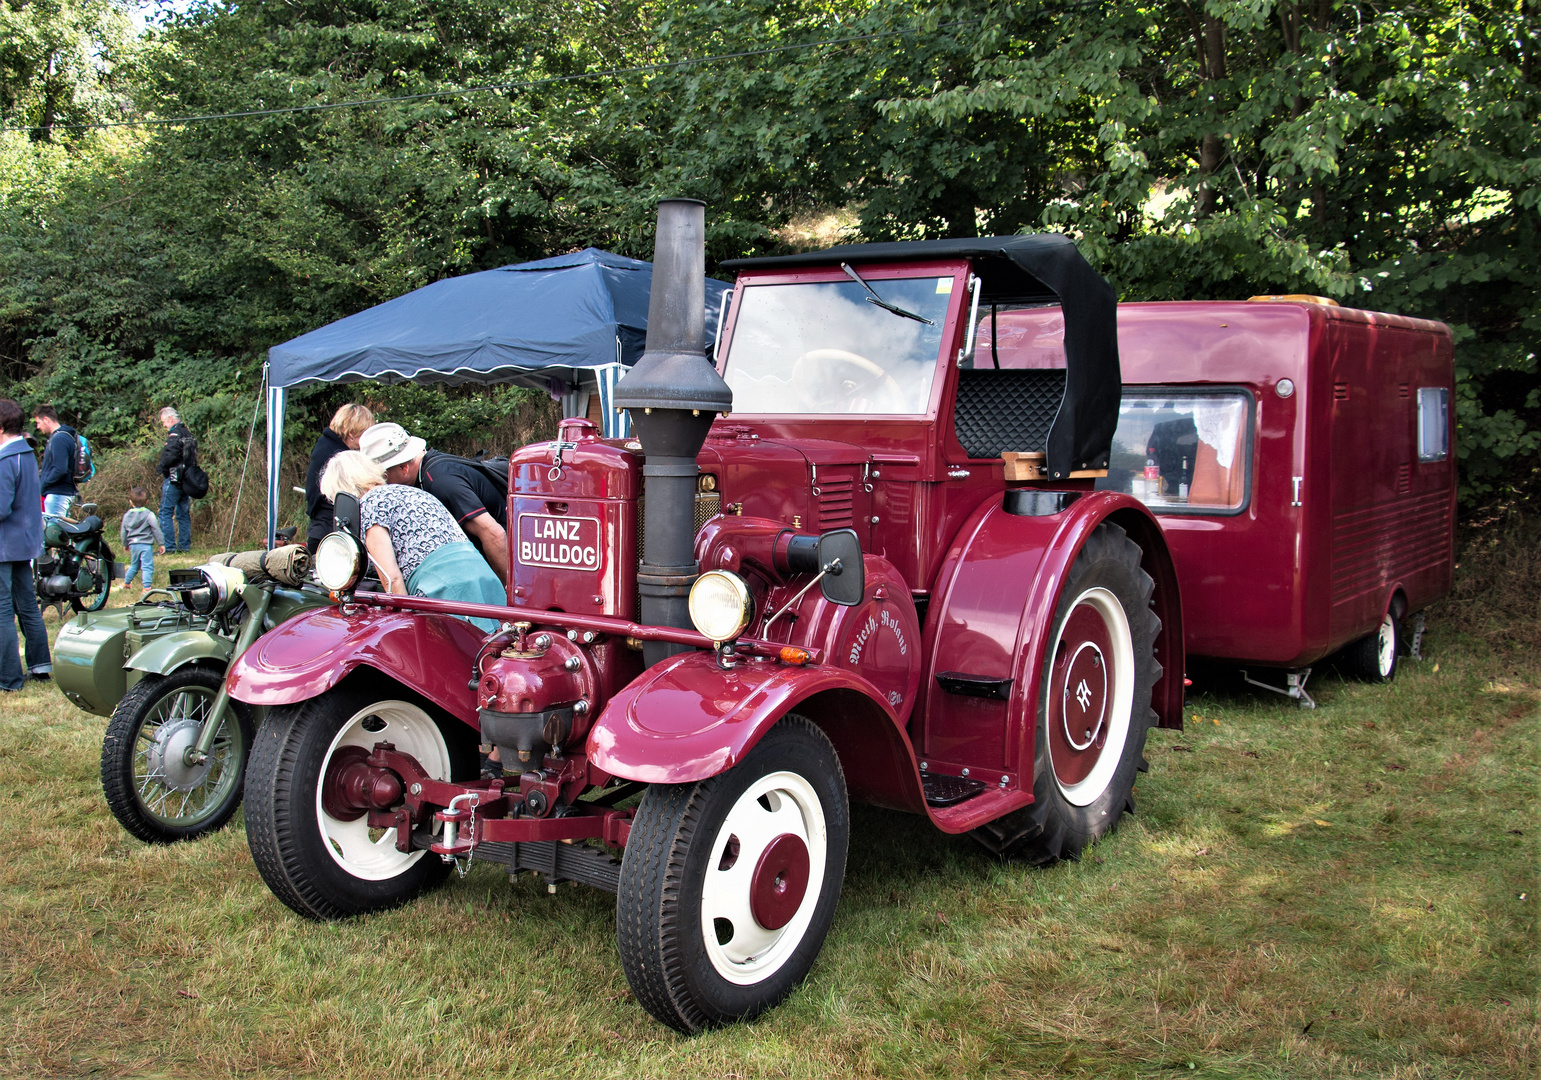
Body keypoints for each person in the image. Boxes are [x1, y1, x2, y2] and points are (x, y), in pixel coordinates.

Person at [320, 451, 504, 632]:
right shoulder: (413, 492)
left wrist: (405, 627)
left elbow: (391, 578)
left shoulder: (370, 504)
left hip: (443, 588)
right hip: (482, 577)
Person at [359, 422, 510, 586]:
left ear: (403, 468)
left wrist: (511, 596)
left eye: (383, 476)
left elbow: (493, 534)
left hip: (509, 557)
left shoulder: (440, 481)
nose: (382, 484)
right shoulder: (429, 470)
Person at [0, 399, 52, 690]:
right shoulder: (26, 453)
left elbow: (1, 508)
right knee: (27, 607)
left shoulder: (6, 459)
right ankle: (40, 665)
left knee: (3, 612)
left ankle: (8, 678)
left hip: (5, 545)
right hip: (24, 542)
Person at [305, 403, 375, 553]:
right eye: (365, 433)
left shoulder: (325, 446)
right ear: (352, 434)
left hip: (322, 530)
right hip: (330, 534)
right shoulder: (339, 457)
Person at [157, 406, 195, 552]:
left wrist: (162, 467)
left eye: (164, 422)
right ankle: (184, 547)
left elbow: (171, 456)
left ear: (170, 419)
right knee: (183, 514)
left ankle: (169, 547)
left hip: (174, 477)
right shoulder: (188, 433)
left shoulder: (174, 435)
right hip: (187, 479)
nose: (164, 426)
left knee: (165, 512)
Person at [31, 404, 78, 518]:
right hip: (60, 493)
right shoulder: (61, 437)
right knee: (61, 531)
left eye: (38, 422)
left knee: (54, 532)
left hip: (57, 494)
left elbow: (60, 469)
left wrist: (45, 483)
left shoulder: (59, 439)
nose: (37, 427)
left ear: (46, 419)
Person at [120, 487, 166, 598]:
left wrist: (125, 544)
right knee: (147, 566)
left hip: (133, 545)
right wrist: (161, 543)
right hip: (145, 545)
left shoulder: (126, 516)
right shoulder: (149, 514)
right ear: (146, 502)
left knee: (134, 564)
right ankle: (146, 587)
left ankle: (126, 583)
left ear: (130, 502)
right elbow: (156, 529)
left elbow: (123, 531)